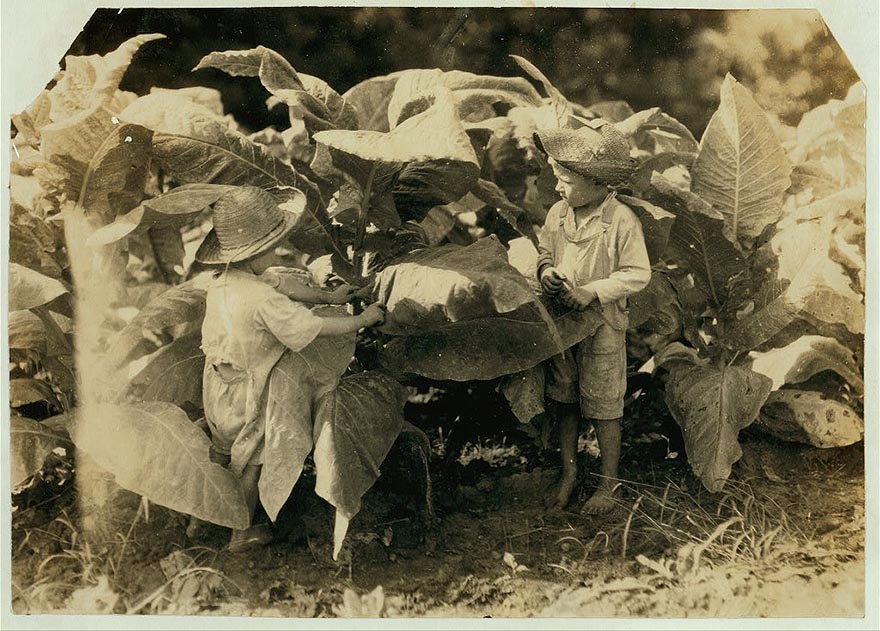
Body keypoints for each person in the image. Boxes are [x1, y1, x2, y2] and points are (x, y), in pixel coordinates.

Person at [193, 185, 385, 552]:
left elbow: (285, 286)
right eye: (272, 248)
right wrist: (362, 319)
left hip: (217, 387)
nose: (277, 253)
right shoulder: (263, 300)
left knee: (221, 451)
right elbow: (313, 327)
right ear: (256, 252)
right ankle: (240, 534)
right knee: (251, 462)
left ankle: (199, 520)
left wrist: (329, 296)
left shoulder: (224, 283)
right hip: (247, 395)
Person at [534, 121, 651, 514]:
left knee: (604, 403)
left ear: (596, 182)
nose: (558, 187)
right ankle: (570, 472)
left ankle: (608, 482)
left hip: (603, 324)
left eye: (565, 180)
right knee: (564, 396)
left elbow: (637, 273)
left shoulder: (620, 220)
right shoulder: (558, 214)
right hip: (563, 321)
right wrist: (547, 273)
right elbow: (545, 252)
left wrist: (592, 291)